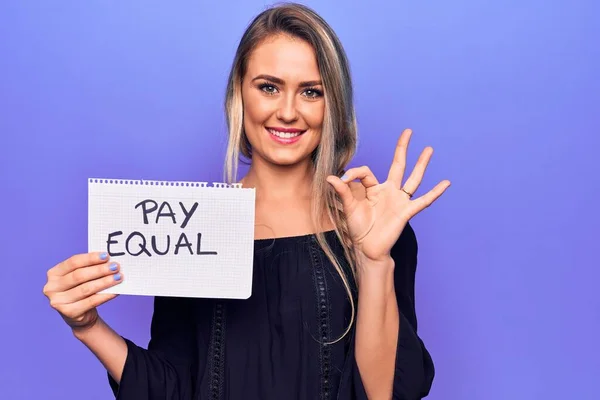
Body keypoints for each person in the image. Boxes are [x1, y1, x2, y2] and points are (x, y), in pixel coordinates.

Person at [43, 3, 450, 399]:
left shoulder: (375, 226)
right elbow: (173, 387)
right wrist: (87, 326)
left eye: (311, 92)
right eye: (269, 87)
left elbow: (386, 394)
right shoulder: (191, 227)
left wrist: (375, 261)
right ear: (239, 91)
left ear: (334, 105)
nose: (288, 112)